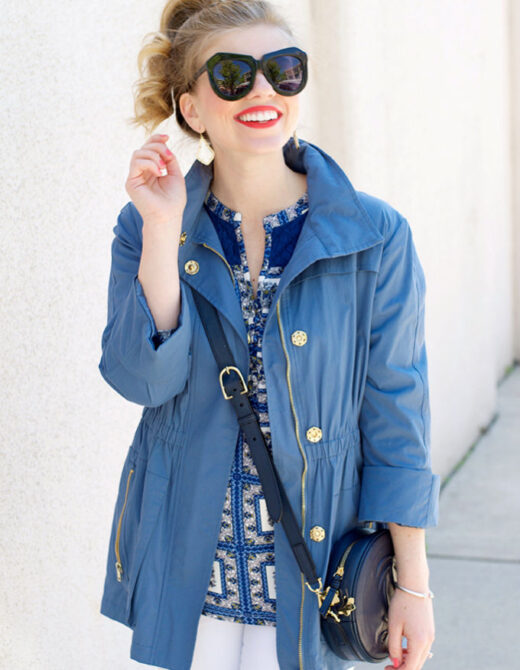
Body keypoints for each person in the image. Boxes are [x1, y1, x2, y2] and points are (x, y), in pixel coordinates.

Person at [98, 1, 440, 669]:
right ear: (191, 108)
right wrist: (164, 230)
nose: (262, 91)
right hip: (189, 572)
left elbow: (398, 415)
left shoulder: (373, 237)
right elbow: (143, 379)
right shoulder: (146, 225)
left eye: (283, 70)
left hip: (312, 573)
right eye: (231, 74)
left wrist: (412, 583)